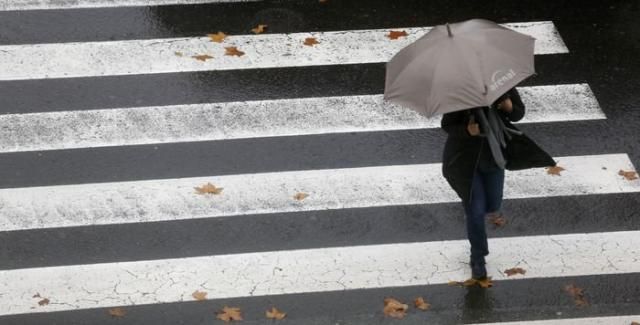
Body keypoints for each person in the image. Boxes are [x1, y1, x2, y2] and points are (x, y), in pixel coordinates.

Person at [441, 87, 555, 280]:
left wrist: (509, 107)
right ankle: (478, 257)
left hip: (495, 156)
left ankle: (475, 210)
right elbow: (447, 125)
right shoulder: (460, 92)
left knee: (493, 203)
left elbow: (518, 113)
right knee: (475, 210)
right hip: (466, 162)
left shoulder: (500, 85)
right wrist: (466, 130)